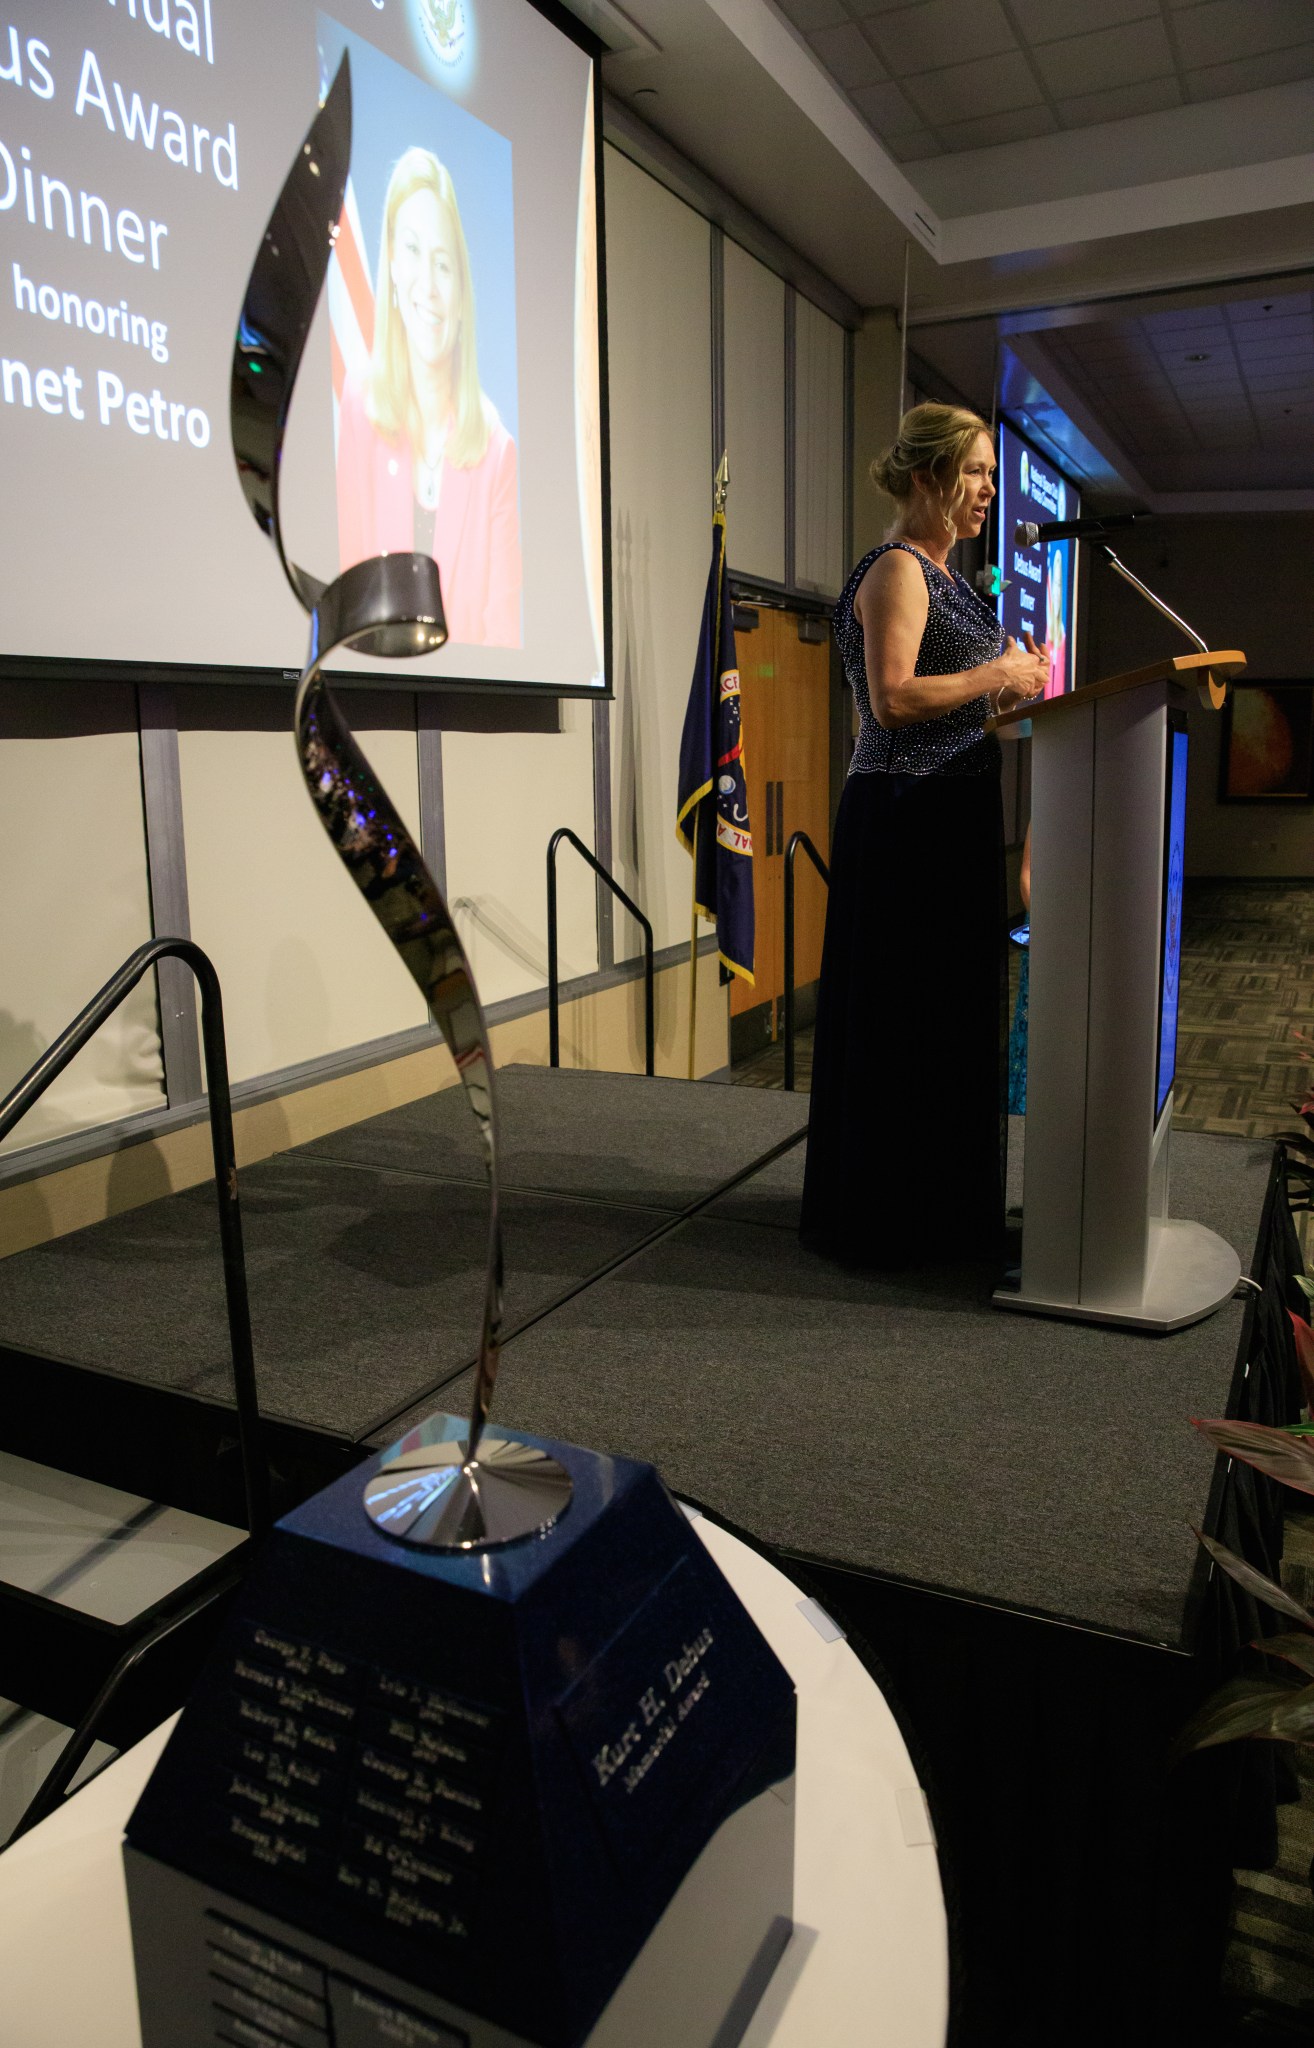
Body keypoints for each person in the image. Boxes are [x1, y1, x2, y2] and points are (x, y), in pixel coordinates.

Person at [799, 403, 1048, 1269]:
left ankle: (942, 1211)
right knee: (905, 1016)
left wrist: (1016, 694)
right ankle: (886, 1222)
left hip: (952, 811)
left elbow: (970, 704)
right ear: (927, 478)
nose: (988, 490)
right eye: (975, 472)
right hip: (902, 816)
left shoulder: (953, 582)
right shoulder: (898, 571)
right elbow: (894, 699)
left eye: (988, 473)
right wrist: (995, 673)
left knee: (950, 1018)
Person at [336, 147, 522, 647]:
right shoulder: (359, 405)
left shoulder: (497, 454)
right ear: (392, 268)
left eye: (443, 263)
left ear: (461, 292)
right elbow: (348, 601)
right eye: (413, 251)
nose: (428, 284)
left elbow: (502, 637)